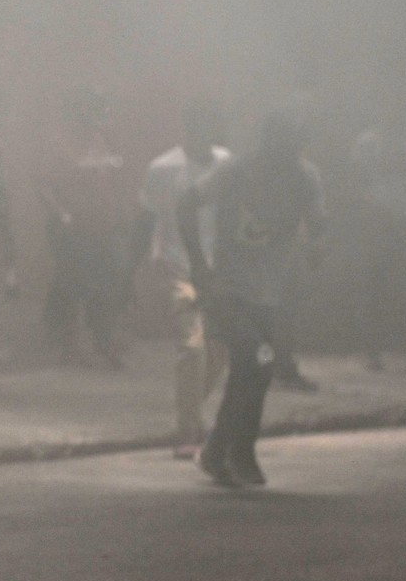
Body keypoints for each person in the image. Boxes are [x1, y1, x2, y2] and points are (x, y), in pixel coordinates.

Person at [178, 112, 326, 487]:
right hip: (228, 290)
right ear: (266, 145)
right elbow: (185, 202)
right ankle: (239, 451)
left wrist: (316, 245)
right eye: (280, 149)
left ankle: (218, 451)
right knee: (257, 362)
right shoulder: (234, 171)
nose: (286, 158)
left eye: (293, 150)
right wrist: (198, 265)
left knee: (253, 370)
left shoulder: (305, 177)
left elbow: (318, 224)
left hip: (268, 295)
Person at [134, 99, 231, 460]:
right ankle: (189, 430)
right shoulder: (164, 168)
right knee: (193, 347)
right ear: (187, 129)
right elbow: (146, 219)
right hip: (179, 267)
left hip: (220, 271)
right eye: (199, 127)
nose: (205, 135)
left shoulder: (226, 164)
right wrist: (142, 264)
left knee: (219, 350)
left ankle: (188, 414)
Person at [38, 87, 135, 368]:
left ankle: (104, 342)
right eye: (98, 111)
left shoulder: (100, 139)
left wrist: (119, 210)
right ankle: (70, 345)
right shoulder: (59, 143)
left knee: (110, 284)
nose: (104, 117)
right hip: (73, 228)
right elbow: (44, 185)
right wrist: (62, 214)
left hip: (104, 225)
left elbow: (108, 179)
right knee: (74, 286)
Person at [350, 108, 406, 375]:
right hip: (377, 221)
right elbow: (355, 182)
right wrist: (371, 211)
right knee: (373, 285)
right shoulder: (366, 142)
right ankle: (371, 353)